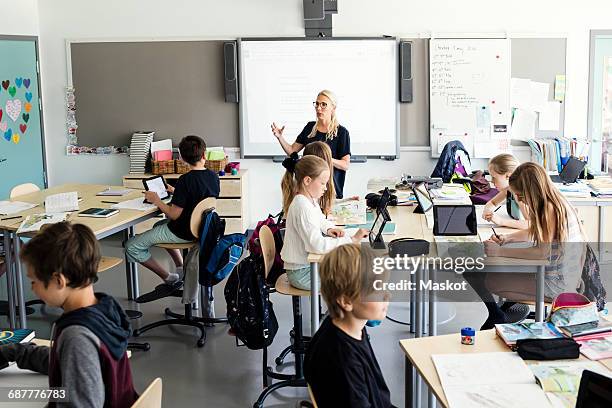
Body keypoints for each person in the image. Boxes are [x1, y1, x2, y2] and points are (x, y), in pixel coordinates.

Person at [0, 222, 138, 407]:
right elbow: (67, 360)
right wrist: (16, 352)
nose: (32, 289)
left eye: (34, 281)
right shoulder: (104, 308)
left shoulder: (77, 336)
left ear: (59, 280)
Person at [467, 162, 586, 329]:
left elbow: (540, 254)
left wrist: (500, 251)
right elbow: (536, 231)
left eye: (521, 196)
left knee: (491, 280)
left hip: (558, 284)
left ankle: (499, 315)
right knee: (491, 270)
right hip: (565, 275)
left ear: (532, 190)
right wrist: (507, 238)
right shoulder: (556, 201)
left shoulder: (549, 209)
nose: (521, 201)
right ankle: (503, 311)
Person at [125, 135, 220, 302]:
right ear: (204, 154)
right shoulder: (213, 176)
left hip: (182, 232)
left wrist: (157, 200)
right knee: (159, 225)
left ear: (182, 158)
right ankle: (181, 268)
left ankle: (169, 278)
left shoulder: (186, 179)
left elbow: (173, 214)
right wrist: (175, 191)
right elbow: (198, 199)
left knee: (132, 246)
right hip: (202, 230)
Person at [305, 244, 395, 407]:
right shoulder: (341, 359)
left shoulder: (353, 328)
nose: (387, 295)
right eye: (377, 290)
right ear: (346, 301)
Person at [280, 155, 368, 290]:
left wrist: (328, 229)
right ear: (307, 181)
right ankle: (350, 311)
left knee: (355, 267)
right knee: (355, 278)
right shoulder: (302, 206)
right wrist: (351, 239)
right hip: (302, 274)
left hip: (305, 268)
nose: (325, 188)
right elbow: (317, 246)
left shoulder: (308, 200)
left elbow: (320, 218)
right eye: (322, 183)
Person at [272, 89, 351, 198]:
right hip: (308, 188)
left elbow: (345, 165)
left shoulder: (341, 133)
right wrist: (280, 137)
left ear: (333, 108)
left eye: (324, 105)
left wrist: (325, 158)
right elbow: (292, 151)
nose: (319, 108)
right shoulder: (310, 127)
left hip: (330, 190)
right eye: (317, 104)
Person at [481, 154, 529, 229]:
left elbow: (531, 224)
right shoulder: (509, 188)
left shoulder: (520, 193)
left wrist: (501, 221)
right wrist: (488, 211)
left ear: (508, 176)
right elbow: (492, 203)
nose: (492, 181)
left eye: (494, 177)